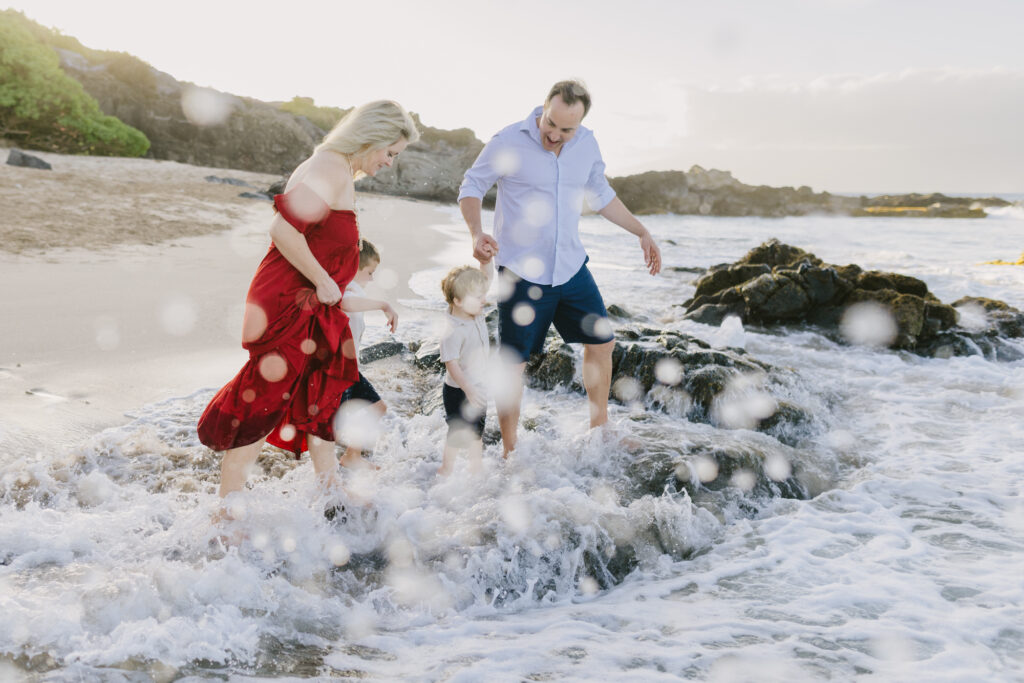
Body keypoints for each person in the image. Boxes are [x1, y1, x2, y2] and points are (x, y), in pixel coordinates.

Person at [197, 100, 419, 512]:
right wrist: (323, 281)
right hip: (292, 305)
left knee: (321, 396)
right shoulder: (329, 167)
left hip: (313, 307)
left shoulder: (338, 170)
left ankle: (329, 488)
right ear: (370, 136)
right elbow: (283, 229)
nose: (390, 163)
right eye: (390, 152)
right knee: (263, 400)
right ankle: (227, 514)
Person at [457, 80, 661, 456]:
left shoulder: (586, 145)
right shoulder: (509, 141)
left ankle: (599, 430)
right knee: (512, 365)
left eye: (566, 129)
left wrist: (642, 231)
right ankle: (510, 450)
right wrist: (476, 233)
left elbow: (602, 195)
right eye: (551, 123)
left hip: (570, 267)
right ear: (544, 108)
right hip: (521, 272)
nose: (554, 134)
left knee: (602, 343)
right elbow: (472, 185)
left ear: (580, 123)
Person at [336, 239, 396, 469]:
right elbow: (345, 303)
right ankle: (342, 460)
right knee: (332, 426)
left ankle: (352, 454)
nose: (372, 278)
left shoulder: (356, 291)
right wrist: (384, 305)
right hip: (341, 370)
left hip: (351, 368)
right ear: (355, 268)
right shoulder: (348, 289)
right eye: (370, 272)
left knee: (377, 408)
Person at [437, 261, 493, 476]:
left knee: (477, 429)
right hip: (458, 390)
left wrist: (486, 262)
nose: (484, 301)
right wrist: (468, 389)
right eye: (478, 298)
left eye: (483, 295)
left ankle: (475, 466)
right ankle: (446, 468)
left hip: (479, 385)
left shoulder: (475, 314)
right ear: (458, 301)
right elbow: (451, 365)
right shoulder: (452, 331)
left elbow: (487, 278)